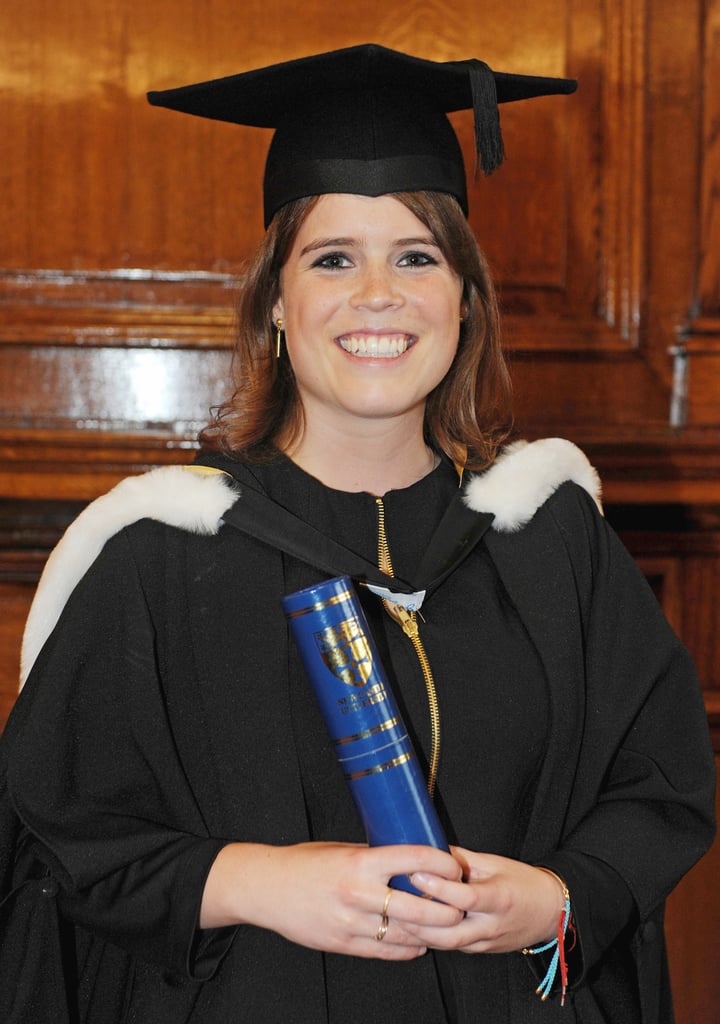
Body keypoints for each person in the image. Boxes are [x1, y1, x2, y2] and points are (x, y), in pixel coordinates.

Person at [0, 43, 715, 1024]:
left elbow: (660, 787)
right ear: (277, 306)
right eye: (332, 257)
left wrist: (552, 901)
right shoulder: (156, 555)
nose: (377, 293)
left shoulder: (550, 542)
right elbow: (60, 837)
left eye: (417, 256)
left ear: (465, 301)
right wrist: (255, 881)